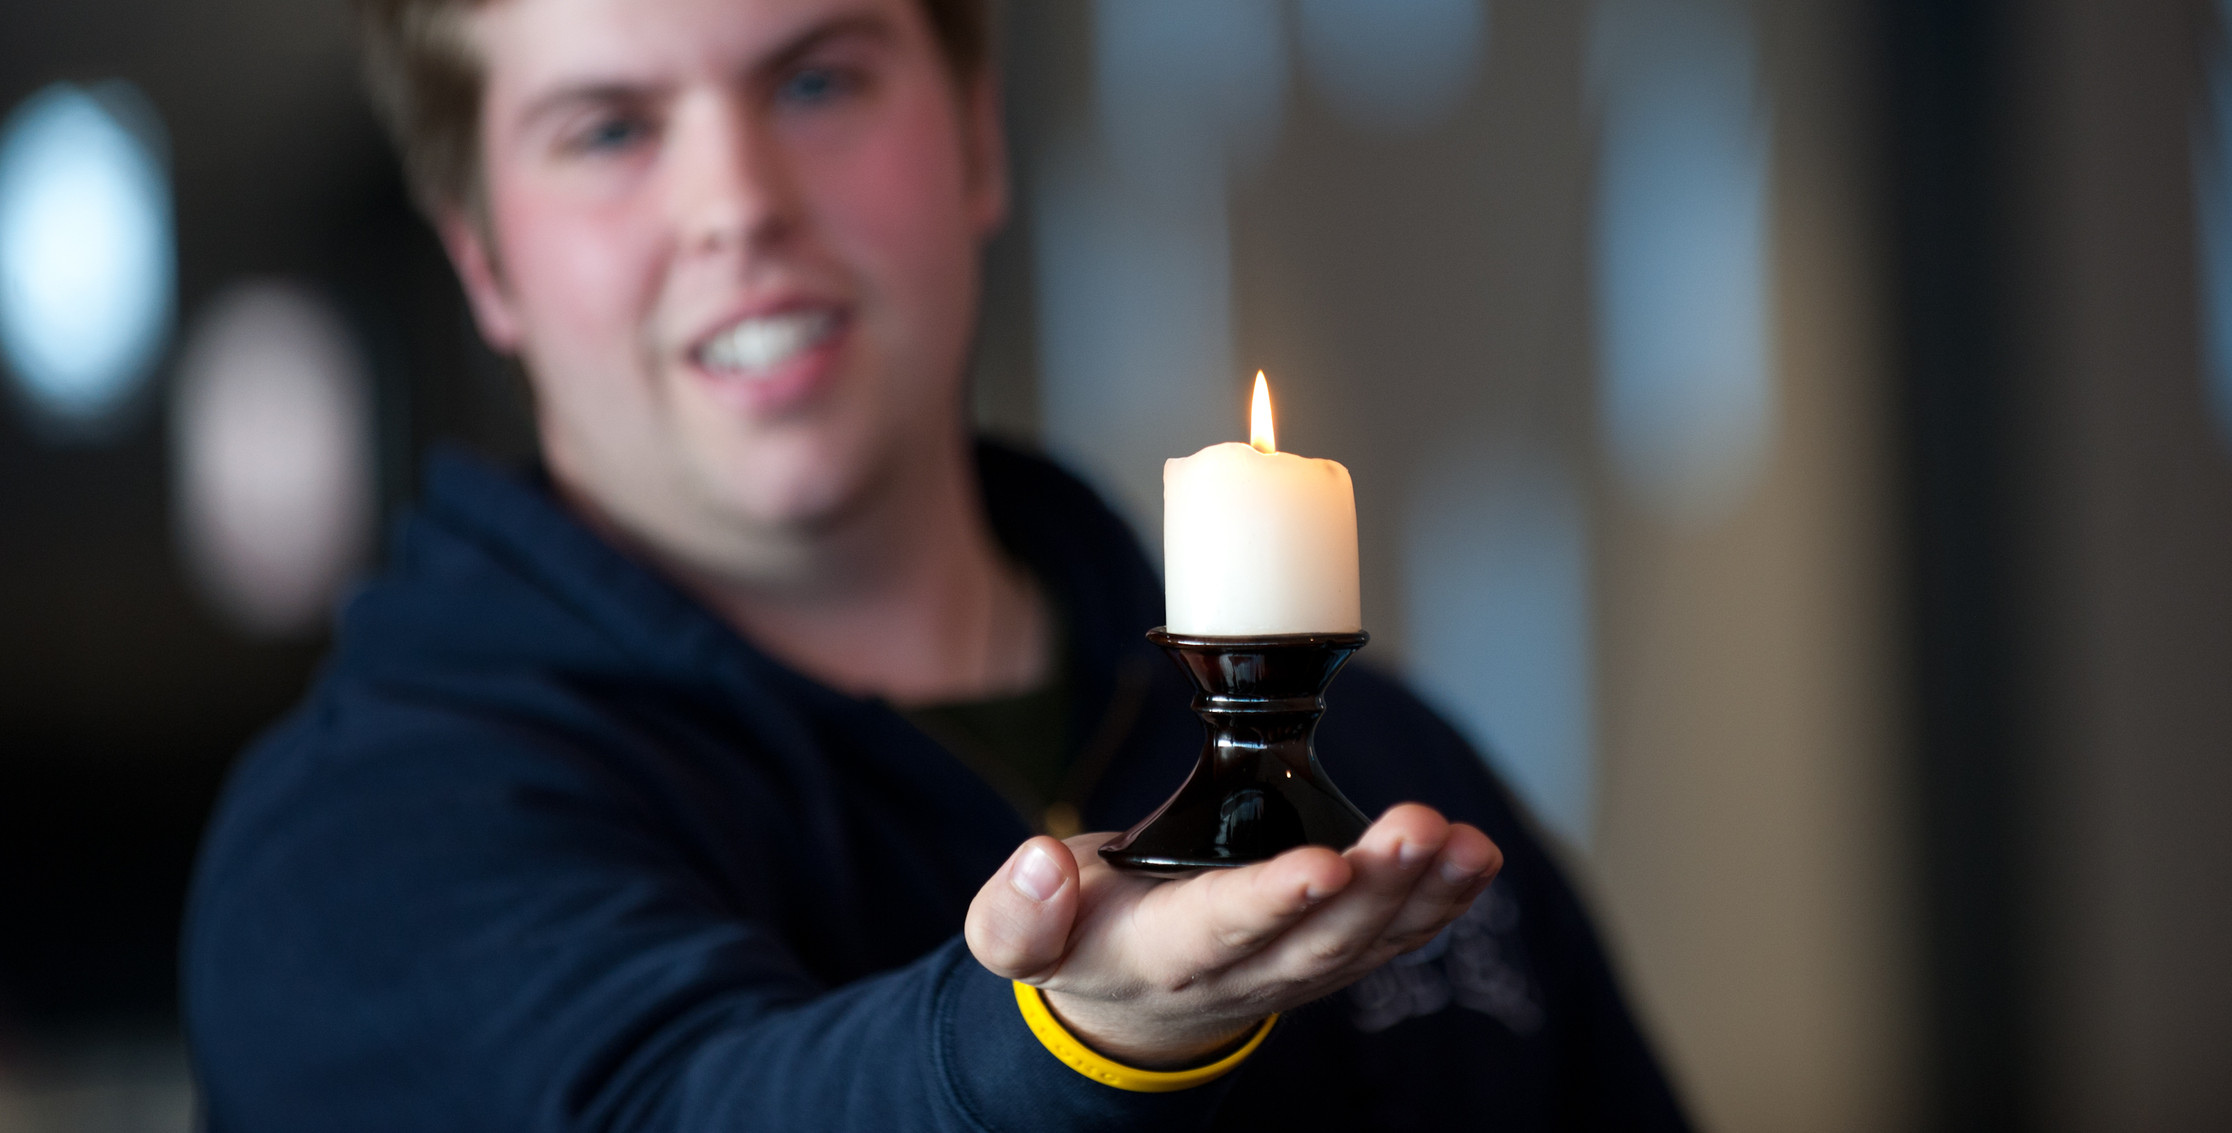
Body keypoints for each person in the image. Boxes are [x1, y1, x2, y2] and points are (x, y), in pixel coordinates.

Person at [180, 0, 1688, 1128]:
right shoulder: (357, 846)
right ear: (484, 259)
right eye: (611, 129)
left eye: (819, 78)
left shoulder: (1393, 769)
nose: (739, 203)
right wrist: (1060, 1038)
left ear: (976, 136)